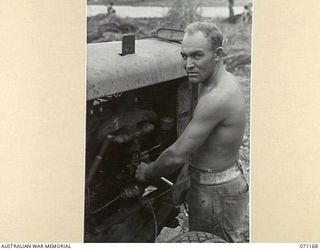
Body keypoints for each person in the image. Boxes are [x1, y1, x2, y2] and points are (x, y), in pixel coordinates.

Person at [135, 21, 249, 243]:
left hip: (217, 194)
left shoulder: (218, 96)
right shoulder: (210, 81)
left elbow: (176, 155)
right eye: (184, 56)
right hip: (212, 183)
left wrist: (147, 172)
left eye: (197, 55)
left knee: (207, 242)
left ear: (218, 54)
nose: (188, 64)